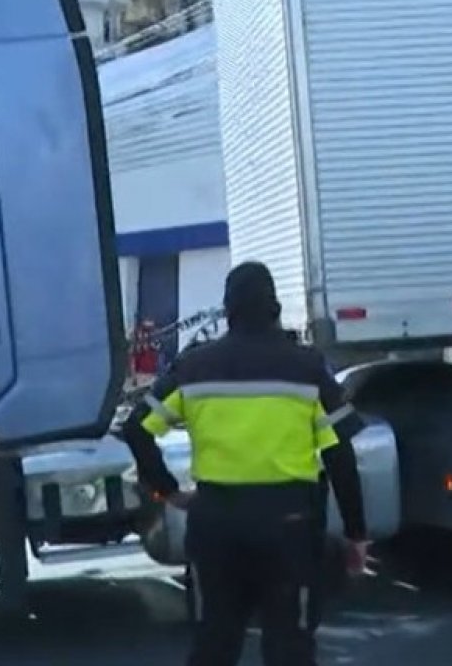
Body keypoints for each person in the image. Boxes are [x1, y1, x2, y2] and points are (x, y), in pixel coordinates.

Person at [122, 261, 370, 666]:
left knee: (215, 643)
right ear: (273, 306)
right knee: (289, 646)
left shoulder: (194, 367)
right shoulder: (306, 368)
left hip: (216, 524)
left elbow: (137, 428)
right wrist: (357, 536)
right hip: (290, 526)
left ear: (228, 308)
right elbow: (340, 455)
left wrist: (166, 490)